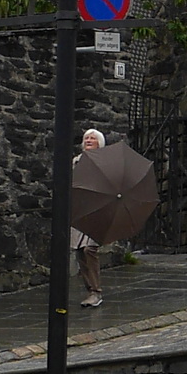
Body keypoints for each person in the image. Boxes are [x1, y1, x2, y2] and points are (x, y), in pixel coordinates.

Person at [71, 126, 108, 309]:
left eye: (92, 138)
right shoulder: (76, 162)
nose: (88, 140)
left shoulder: (105, 163)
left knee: (89, 249)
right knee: (79, 251)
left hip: (97, 211)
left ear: (99, 143)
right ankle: (90, 290)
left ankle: (96, 292)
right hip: (80, 211)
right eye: (86, 138)